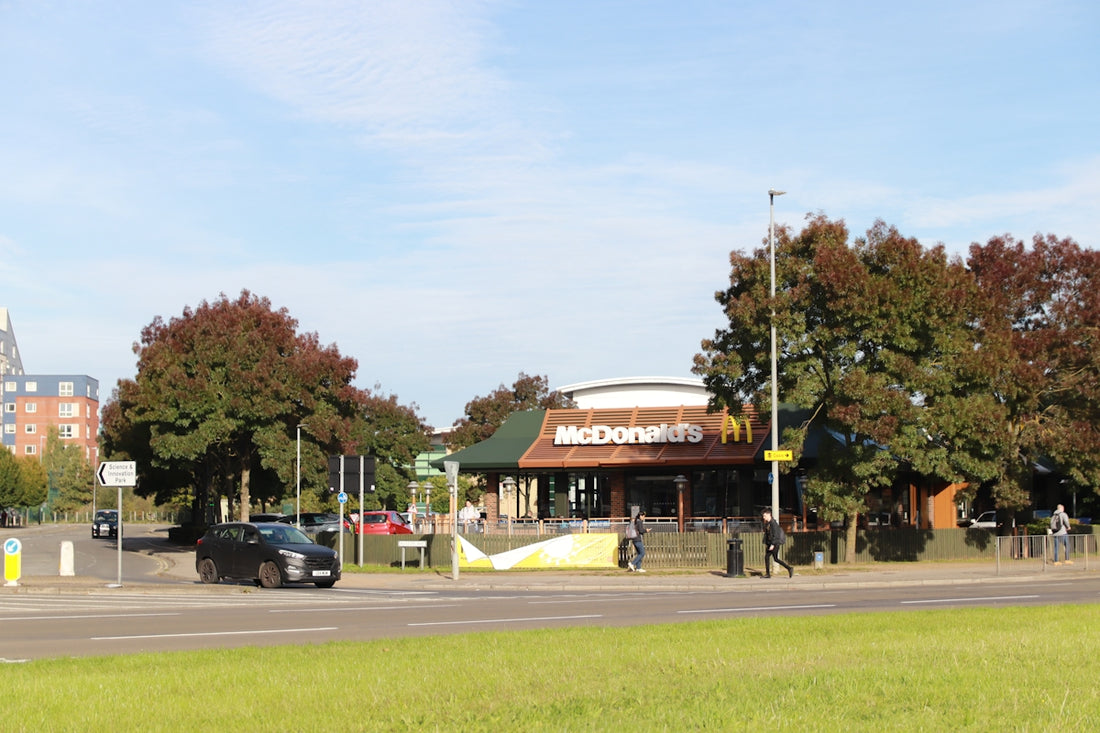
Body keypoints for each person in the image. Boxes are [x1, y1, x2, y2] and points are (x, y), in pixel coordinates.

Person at [761, 508, 793, 578]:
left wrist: (772, 544)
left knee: (774, 559)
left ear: (769, 515)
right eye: (763, 516)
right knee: (769, 558)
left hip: (775, 544)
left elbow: (776, 535)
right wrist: (767, 543)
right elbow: (768, 534)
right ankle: (768, 573)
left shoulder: (773, 523)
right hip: (770, 544)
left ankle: (789, 568)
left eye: (765, 516)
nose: (764, 517)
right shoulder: (768, 523)